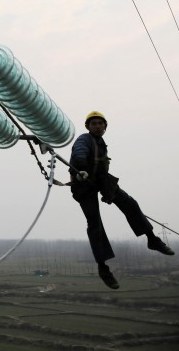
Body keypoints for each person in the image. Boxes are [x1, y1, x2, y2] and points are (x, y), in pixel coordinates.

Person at [69, 111, 173, 289]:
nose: (97, 126)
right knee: (94, 222)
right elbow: (79, 153)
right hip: (84, 184)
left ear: (105, 127)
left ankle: (152, 239)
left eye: (101, 123)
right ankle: (103, 268)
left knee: (130, 203)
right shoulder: (84, 140)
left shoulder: (101, 144)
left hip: (101, 180)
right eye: (93, 123)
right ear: (87, 126)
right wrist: (81, 167)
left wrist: (106, 188)